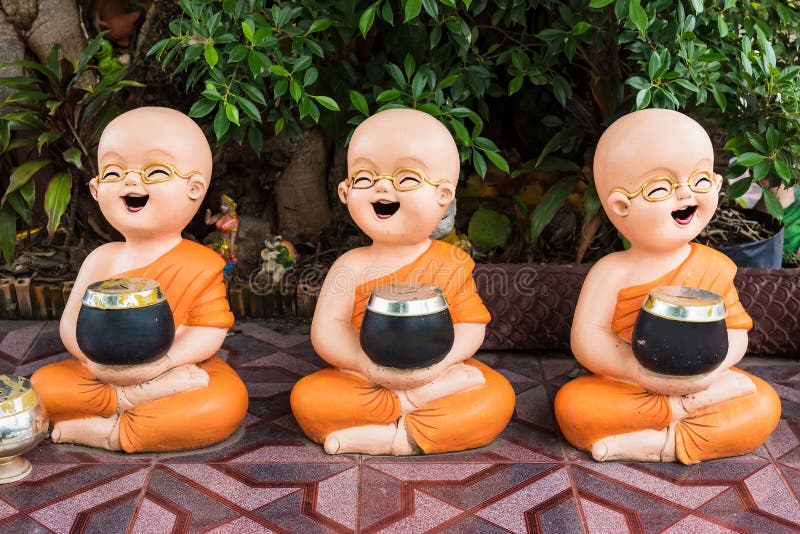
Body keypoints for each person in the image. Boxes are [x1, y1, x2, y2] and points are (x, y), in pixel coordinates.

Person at [555, 108, 781, 464]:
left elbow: (736, 332)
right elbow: (588, 339)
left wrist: (710, 373)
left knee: (764, 404)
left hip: (702, 381)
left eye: (701, 181)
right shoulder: (611, 272)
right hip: (630, 385)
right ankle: (683, 417)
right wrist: (636, 370)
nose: (686, 194)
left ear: (717, 184)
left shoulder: (714, 265)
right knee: (575, 407)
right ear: (620, 205)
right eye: (661, 187)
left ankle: (661, 443)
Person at [290, 108, 515, 455]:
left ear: (443, 195)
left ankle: (394, 436)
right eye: (364, 178)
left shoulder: (450, 261)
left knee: (495, 397)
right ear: (345, 192)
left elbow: (471, 325)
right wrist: (368, 366)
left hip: (437, 373)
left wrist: (434, 369)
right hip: (362, 375)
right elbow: (328, 330)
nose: (382, 187)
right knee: (309, 398)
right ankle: (413, 411)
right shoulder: (349, 266)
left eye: (406, 179)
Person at [30, 107, 248, 452]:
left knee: (224, 402)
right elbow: (71, 324)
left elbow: (207, 330)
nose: (132, 181)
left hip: (175, 367)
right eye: (115, 172)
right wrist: (96, 364)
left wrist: (161, 365)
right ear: (96, 188)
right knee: (42, 386)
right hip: (102, 371)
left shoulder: (200, 263)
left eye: (156, 171)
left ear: (195, 189)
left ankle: (110, 432)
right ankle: (131, 401)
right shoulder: (101, 259)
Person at [205, 193, 240, 274]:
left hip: (228, 248)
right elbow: (208, 222)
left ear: (231, 206)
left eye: (225, 205)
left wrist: (232, 255)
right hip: (219, 243)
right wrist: (208, 213)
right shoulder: (219, 215)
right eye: (221, 204)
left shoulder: (234, 221)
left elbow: (232, 240)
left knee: (219, 263)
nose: (221, 207)